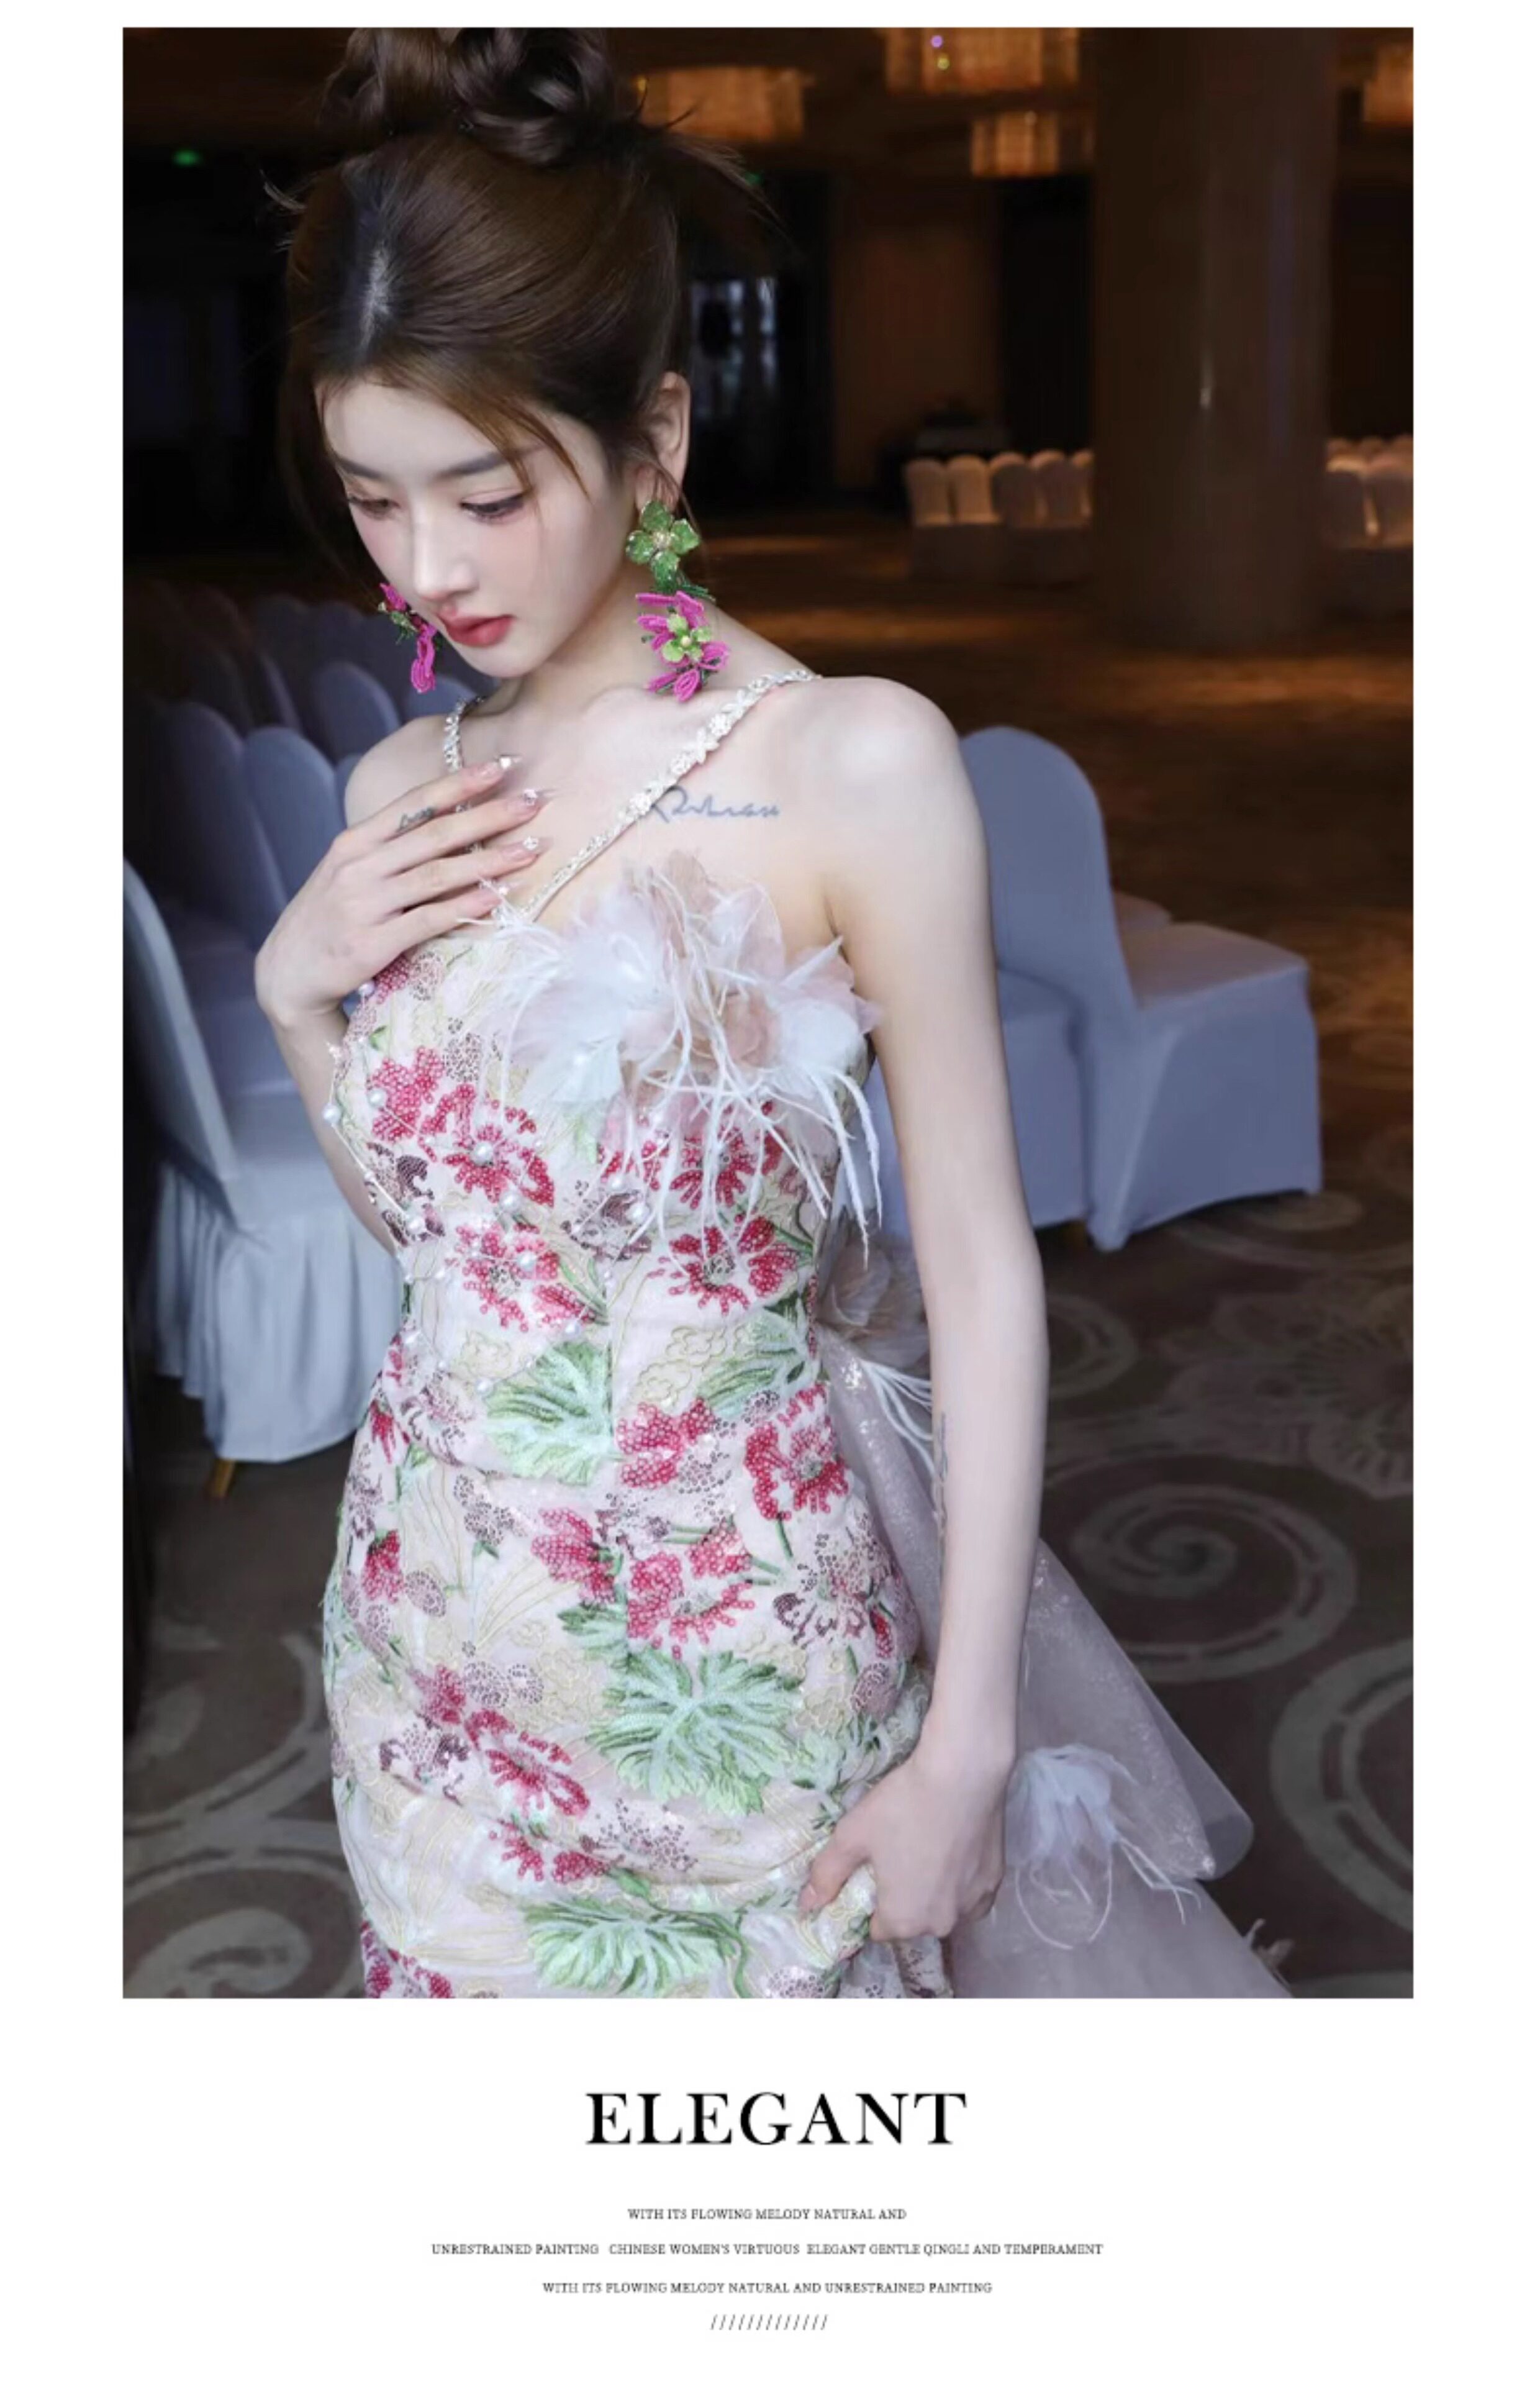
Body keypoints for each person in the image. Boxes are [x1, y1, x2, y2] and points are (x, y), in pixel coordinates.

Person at [255, 29, 1290, 1999]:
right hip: (430, 1635)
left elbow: (979, 1265)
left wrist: (967, 1747)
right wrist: (295, 998)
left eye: (487, 491)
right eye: (374, 501)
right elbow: (443, 1245)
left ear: (657, 439)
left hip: (737, 1668)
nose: (428, 569)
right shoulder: (407, 787)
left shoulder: (849, 764)